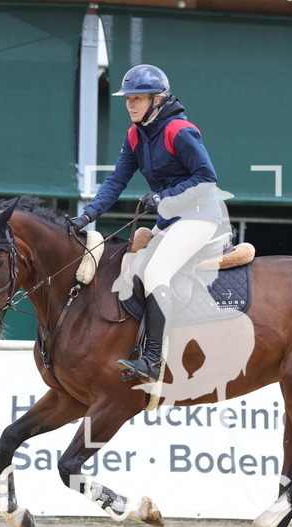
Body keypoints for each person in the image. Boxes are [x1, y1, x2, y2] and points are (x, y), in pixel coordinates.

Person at [71, 64, 222, 384]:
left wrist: (164, 196)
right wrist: (87, 215)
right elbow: (116, 181)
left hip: (198, 216)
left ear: (157, 100)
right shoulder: (135, 135)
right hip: (171, 220)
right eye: (128, 99)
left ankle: (153, 360)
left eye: (137, 98)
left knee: (155, 273)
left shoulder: (179, 131)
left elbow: (207, 178)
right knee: (127, 267)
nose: (130, 105)